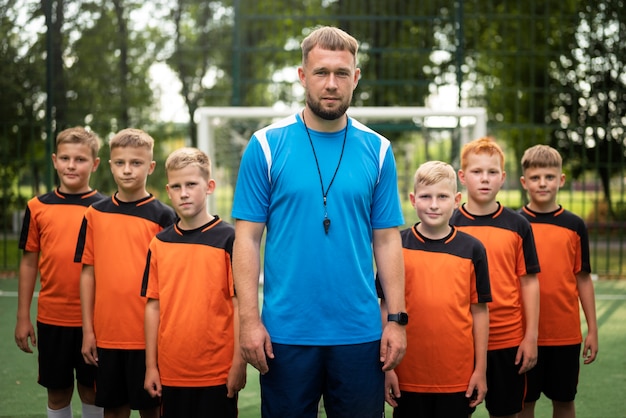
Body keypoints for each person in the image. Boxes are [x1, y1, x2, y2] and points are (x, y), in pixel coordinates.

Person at [231, 25, 407, 418]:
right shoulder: (265, 145)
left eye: (342, 73)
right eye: (321, 72)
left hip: (360, 334)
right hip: (285, 333)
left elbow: (387, 240)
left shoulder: (378, 149)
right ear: (302, 76)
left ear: (356, 77)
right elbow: (247, 239)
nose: (331, 83)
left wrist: (396, 320)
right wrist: (248, 321)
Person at [74, 128, 176, 418]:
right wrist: (88, 331)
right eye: (120, 163)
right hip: (106, 336)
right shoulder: (95, 214)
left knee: (152, 410)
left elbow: (168, 280)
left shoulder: (164, 216)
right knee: (113, 410)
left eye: (136, 163)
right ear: (109, 165)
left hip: (149, 339)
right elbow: (87, 273)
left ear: (151, 166)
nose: (127, 170)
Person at [141, 147, 247, 417]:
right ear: (168, 190)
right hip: (171, 371)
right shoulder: (160, 242)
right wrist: (151, 366)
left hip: (217, 373)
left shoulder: (228, 239)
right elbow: (153, 306)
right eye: (176, 186)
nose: (184, 193)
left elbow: (239, 305)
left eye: (191, 184)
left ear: (209, 186)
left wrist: (239, 363)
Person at [382, 161, 492, 418]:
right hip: (407, 374)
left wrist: (480, 370)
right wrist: (388, 369)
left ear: (456, 200)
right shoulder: (396, 245)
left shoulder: (473, 249)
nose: (433, 204)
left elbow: (479, 311)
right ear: (412, 199)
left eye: (442, 197)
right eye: (426, 196)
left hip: (457, 377)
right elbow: (385, 306)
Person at [15, 126, 105, 418]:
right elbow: (29, 262)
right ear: (54, 160)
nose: (71, 165)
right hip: (52, 317)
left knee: (93, 391)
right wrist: (22, 317)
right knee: (58, 392)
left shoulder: (106, 208)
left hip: (96, 320)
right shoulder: (37, 206)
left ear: (94, 164)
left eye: (80, 159)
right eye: (65, 158)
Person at [449, 136, 541, 418]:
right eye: (477, 172)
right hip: (460, 339)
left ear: (502, 178)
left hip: (507, 340)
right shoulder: (450, 224)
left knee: (506, 412)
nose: (484, 179)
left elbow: (529, 282)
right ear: (463, 177)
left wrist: (531, 337)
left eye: (492, 172)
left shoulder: (518, 225)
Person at [517, 145, 598, 418]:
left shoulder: (574, 225)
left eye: (549, 177)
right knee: (525, 403)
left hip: (565, 334)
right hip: (524, 334)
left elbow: (583, 279)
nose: (543, 183)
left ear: (561, 180)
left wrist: (593, 330)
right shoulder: (514, 224)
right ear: (524, 181)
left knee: (564, 401)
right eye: (536, 177)